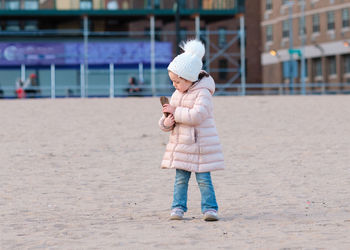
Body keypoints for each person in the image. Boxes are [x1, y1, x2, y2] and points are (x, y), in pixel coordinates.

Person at [158, 40, 224, 221]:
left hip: (200, 145)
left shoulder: (203, 93)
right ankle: (177, 208)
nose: (174, 85)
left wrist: (176, 112)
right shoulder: (178, 93)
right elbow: (172, 120)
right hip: (182, 145)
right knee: (180, 180)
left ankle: (210, 209)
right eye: (173, 81)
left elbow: (197, 115)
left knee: (204, 180)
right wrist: (167, 121)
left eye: (177, 81)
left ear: (189, 79)